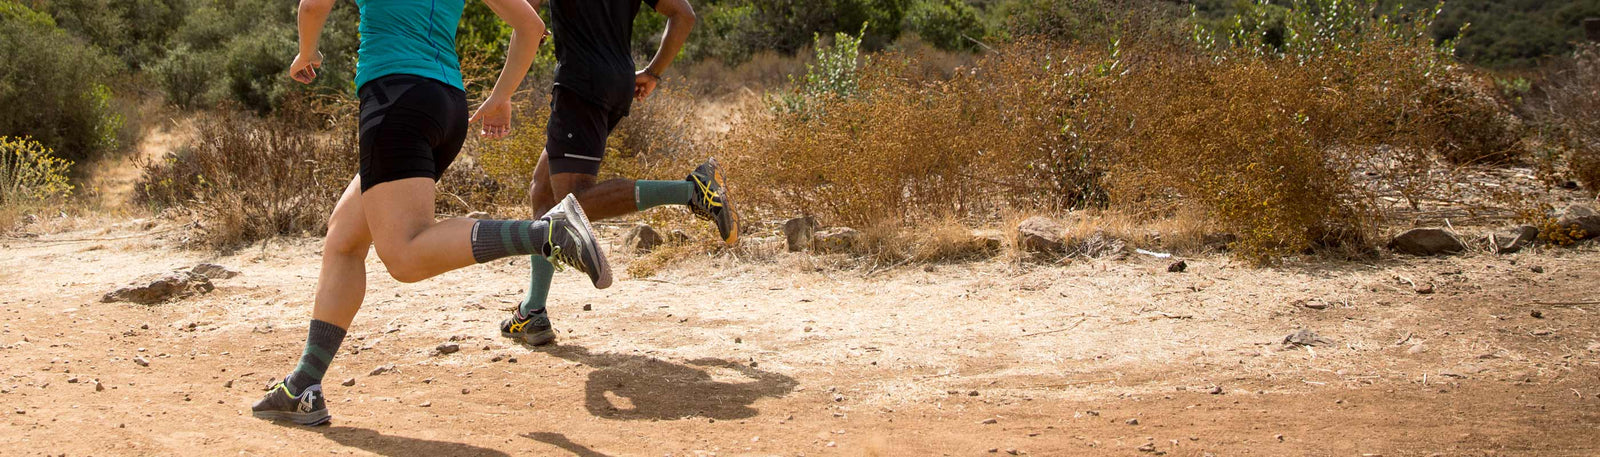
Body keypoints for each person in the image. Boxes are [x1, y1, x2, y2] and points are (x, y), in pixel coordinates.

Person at [251, 0, 611, 426]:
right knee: (344, 238)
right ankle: (303, 387)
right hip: (446, 105)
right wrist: (500, 98)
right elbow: (531, 27)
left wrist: (306, 53)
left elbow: (312, 6)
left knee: (404, 254)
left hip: (394, 99)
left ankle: (545, 234)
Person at [497, 0, 739, 347]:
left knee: (573, 199)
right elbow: (684, 15)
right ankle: (533, 311)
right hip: (617, 81)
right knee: (544, 191)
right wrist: (653, 73)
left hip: (579, 83)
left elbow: (524, 13)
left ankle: (692, 191)